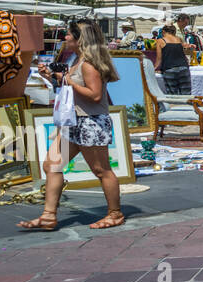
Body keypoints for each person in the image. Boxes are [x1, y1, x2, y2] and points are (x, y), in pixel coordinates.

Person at [18, 20, 124, 231]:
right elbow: (72, 87)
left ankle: (115, 213)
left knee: (101, 170)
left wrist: (67, 80)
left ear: (79, 39)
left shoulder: (88, 64)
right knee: (52, 164)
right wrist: (53, 77)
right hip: (75, 122)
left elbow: (94, 95)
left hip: (90, 122)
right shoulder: (78, 60)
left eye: (68, 34)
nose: (65, 38)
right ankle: (48, 215)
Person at [153, 23, 194, 95]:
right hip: (183, 68)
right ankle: (187, 106)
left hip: (169, 68)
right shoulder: (178, 39)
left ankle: (175, 106)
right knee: (186, 94)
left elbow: (159, 58)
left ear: (163, 31)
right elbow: (184, 53)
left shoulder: (160, 41)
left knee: (172, 95)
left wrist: (154, 68)